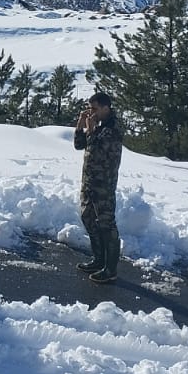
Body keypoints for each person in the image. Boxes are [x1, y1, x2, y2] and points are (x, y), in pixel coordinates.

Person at [73, 92, 124, 284]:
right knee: (88, 219)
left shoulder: (113, 128)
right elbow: (80, 146)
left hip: (104, 185)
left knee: (106, 224)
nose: (91, 112)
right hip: (89, 183)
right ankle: (98, 260)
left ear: (106, 108)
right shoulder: (99, 126)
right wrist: (80, 126)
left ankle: (110, 269)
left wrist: (92, 130)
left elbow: (98, 149)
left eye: (94, 109)